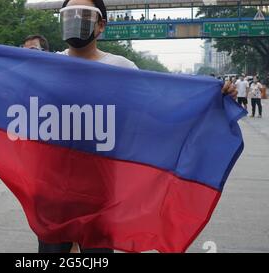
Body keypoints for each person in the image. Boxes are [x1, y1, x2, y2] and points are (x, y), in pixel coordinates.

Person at [37, 0, 236, 253]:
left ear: (101, 26)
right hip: (53, 188)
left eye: (84, 16)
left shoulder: (122, 70)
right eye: (69, 15)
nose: (76, 21)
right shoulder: (43, 68)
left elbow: (160, 108)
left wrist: (211, 98)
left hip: (100, 189)